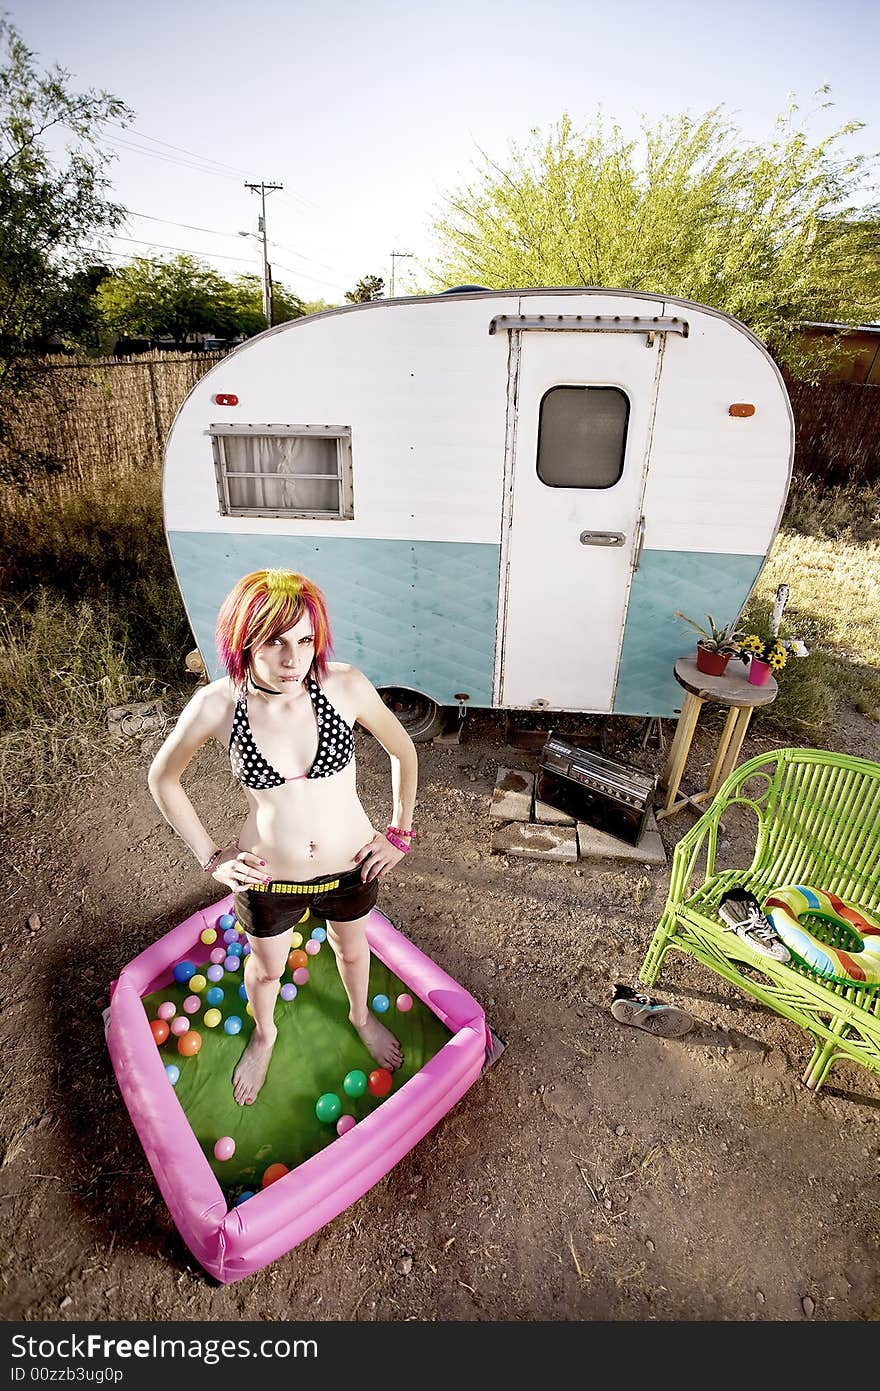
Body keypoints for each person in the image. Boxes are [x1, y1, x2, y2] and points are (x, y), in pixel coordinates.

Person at [147, 568, 418, 1105]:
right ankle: (266, 1035)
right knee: (267, 970)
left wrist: (399, 833)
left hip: (352, 867)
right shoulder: (219, 704)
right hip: (270, 880)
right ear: (243, 641)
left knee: (352, 949)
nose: (294, 659)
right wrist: (210, 856)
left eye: (305, 640)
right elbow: (163, 778)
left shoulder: (344, 685)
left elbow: (403, 750)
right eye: (275, 642)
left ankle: (360, 1017)